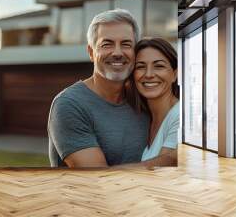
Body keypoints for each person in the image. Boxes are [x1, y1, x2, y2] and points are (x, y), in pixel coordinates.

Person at [48, 9, 149, 167]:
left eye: (126, 44)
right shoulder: (69, 104)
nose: (117, 52)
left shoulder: (142, 100)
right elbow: (99, 179)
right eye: (107, 44)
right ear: (91, 52)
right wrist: (167, 159)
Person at [127, 37, 179, 166]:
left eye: (159, 66)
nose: (149, 74)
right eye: (140, 67)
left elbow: (162, 168)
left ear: (174, 74)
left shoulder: (179, 116)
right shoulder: (144, 119)